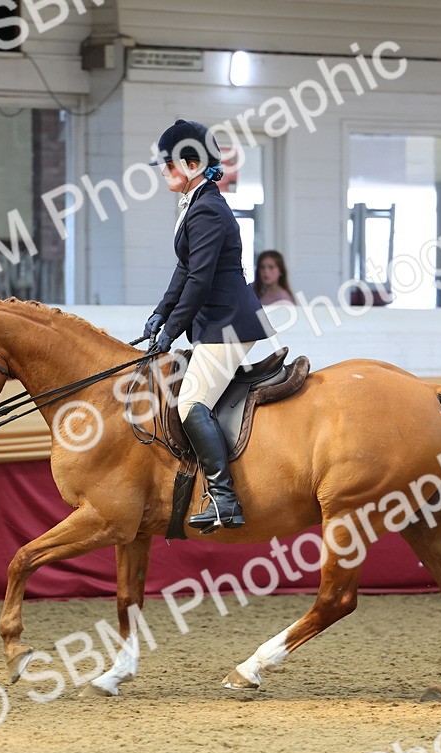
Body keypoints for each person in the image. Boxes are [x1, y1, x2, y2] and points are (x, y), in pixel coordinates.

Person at [143, 119, 272, 534]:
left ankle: (223, 498)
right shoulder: (196, 204)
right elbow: (183, 270)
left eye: (167, 165)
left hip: (229, 324)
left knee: (190, 402)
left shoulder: (209, 210)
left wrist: (171, 330)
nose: (162, 171)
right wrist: (160, 314)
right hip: (214, 323)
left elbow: (200, 280)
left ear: (192, 164)